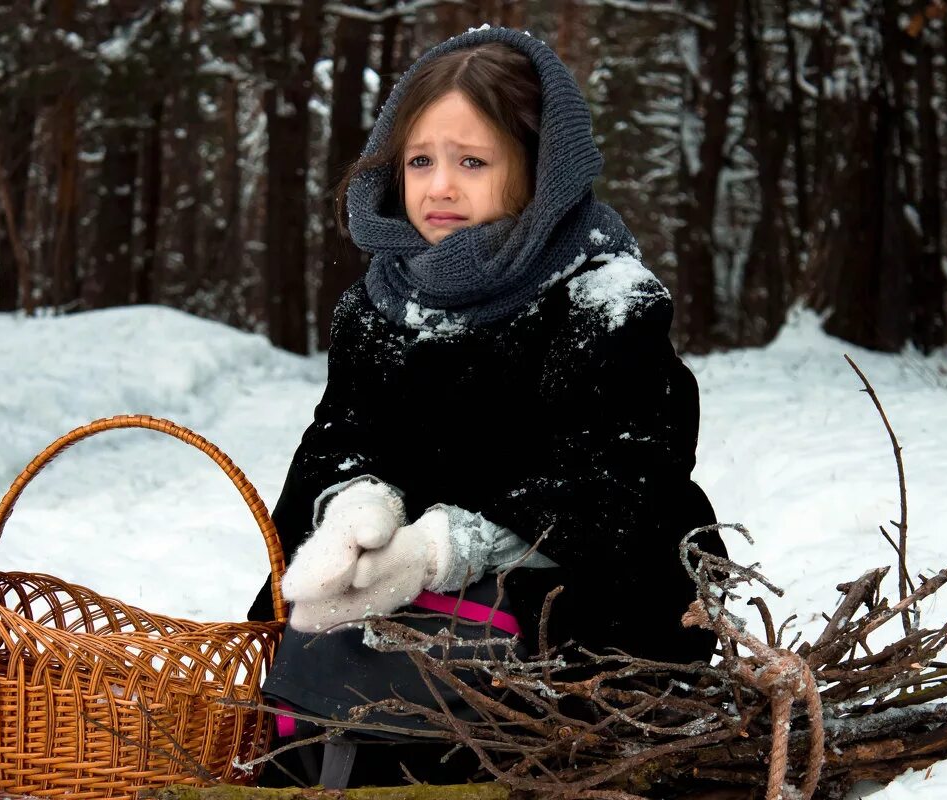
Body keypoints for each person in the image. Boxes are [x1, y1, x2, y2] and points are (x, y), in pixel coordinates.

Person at [247, 25, 725, 789]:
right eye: (420, 161)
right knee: (299, 618)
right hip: (395, 595)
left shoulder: (603, 297)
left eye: (473, 162)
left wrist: (450, 546)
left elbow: (633, 478)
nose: (440, 186)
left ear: (539, 171)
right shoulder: (375, 307)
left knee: (594, 636)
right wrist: (353, 501)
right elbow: (337, 434)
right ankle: (333, 740)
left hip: (566, 595)